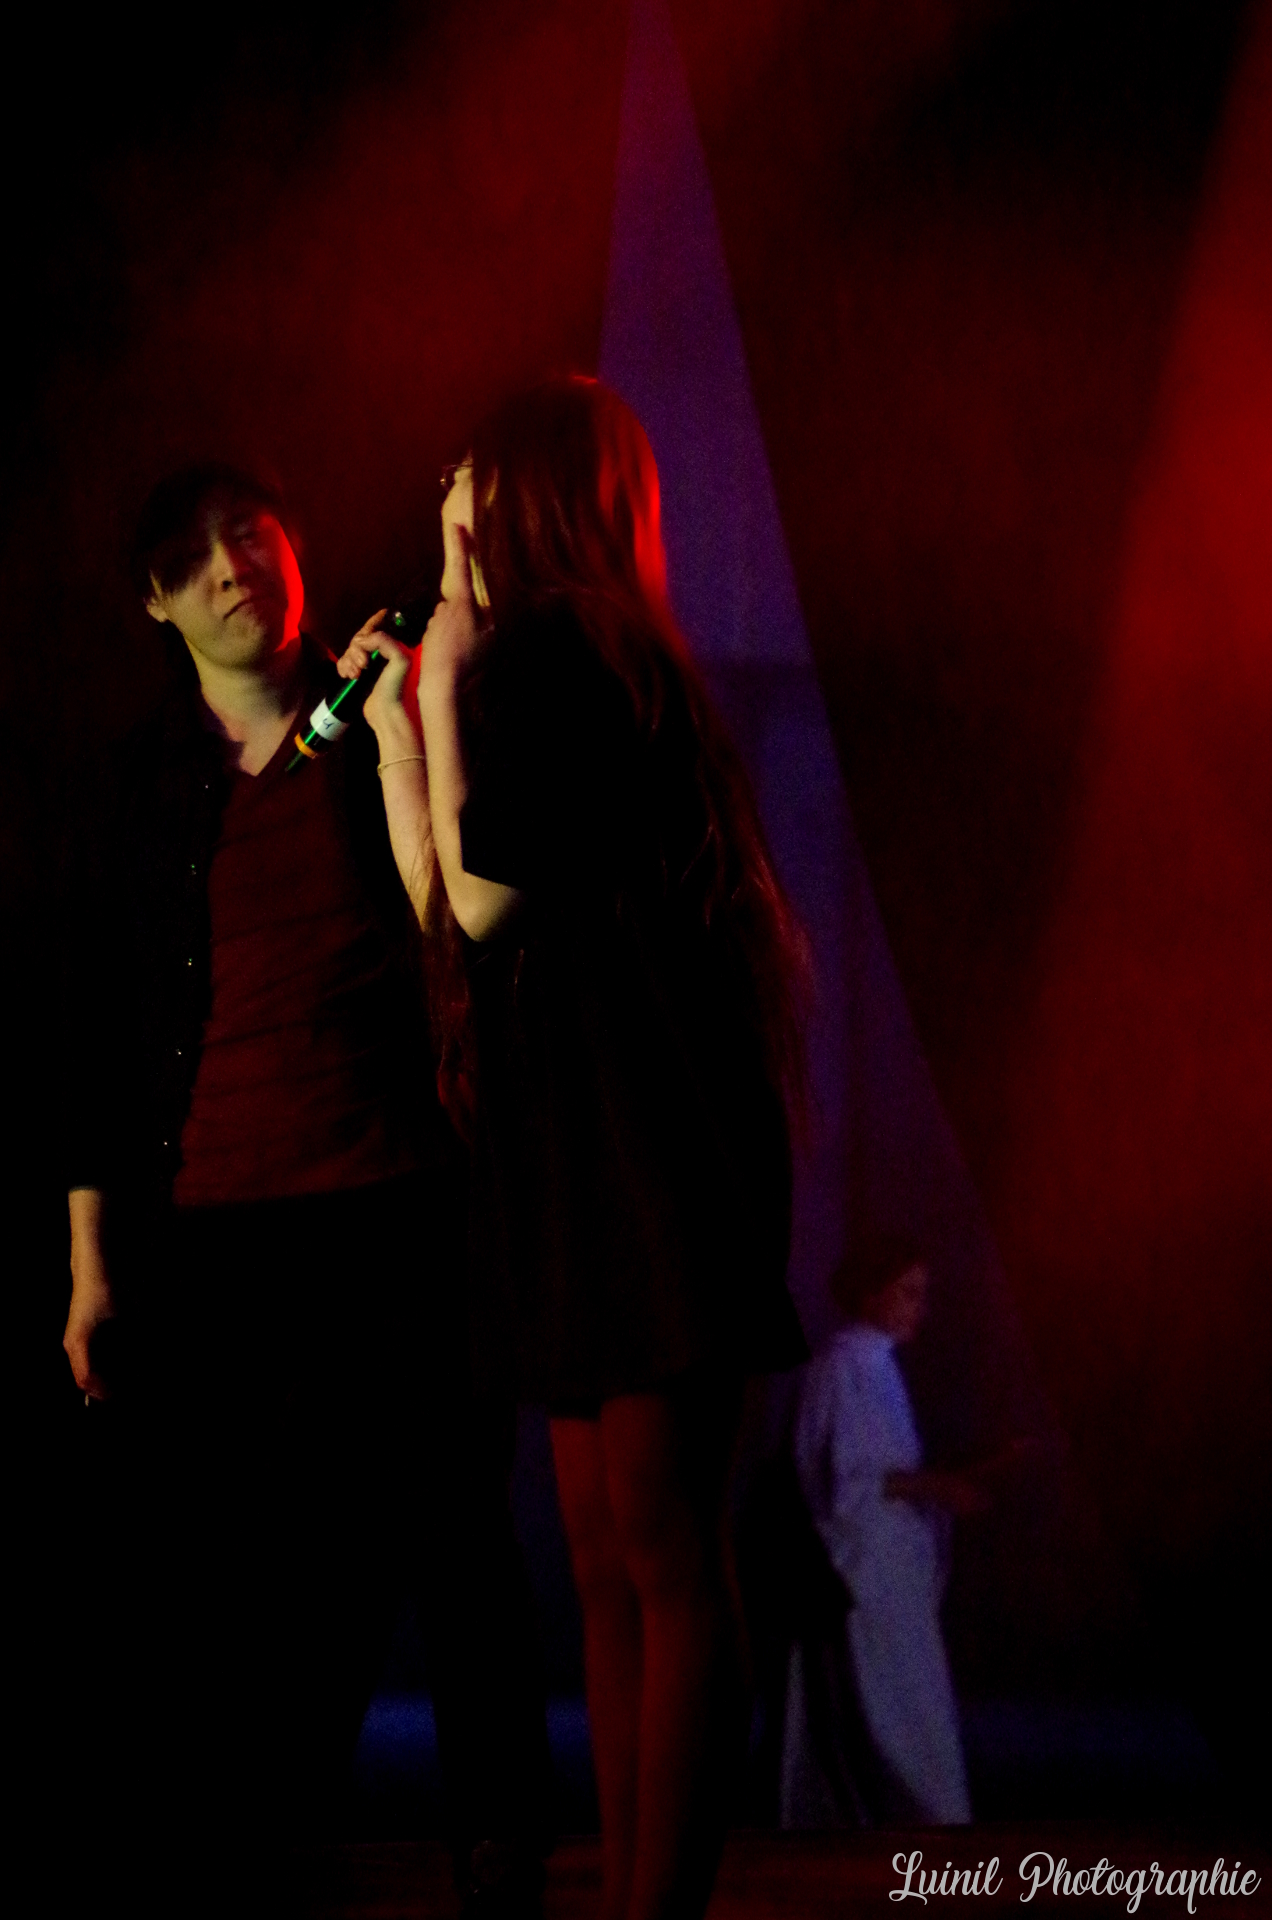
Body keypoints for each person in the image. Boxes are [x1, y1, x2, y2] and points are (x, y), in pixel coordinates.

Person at [339, 375, 808, 1920]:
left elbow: (479, 900)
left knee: (662, 1553)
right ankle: (630, 1890)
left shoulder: (573, 655)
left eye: (469, 471)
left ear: (531, 490)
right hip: (579, 1155)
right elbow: (444, 908)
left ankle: (654, 1903)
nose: (446, 492)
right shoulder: (535, 660)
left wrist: (452, 660)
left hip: (646, 1156)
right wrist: (403, 734)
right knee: (609, 1556)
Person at [60, 463, 547, 1916]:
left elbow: (470, 919)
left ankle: (500, 1843)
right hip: (210, 1225)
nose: (233, 569)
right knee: (245, 1565)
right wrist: (89, 1267)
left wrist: (409, 722)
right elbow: (93, 1032)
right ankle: (250, 1842)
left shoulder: (380, 707)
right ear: (158, 601)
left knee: (456, 1531)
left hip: (397, 1195)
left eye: (251, 536)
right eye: (197, 556)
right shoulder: (141, 784)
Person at [781, 1237, 981, 1828]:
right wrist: (937, 1487)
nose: (919, 1307)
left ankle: (915, 1816)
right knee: (890, 1704)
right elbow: (853, 1480)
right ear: (871, 1295)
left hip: (890, 1574)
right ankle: (914, 1816)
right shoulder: (845, 1368)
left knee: (907, 1703)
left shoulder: (875, 1366)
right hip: (866, 1573)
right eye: (907, 1293)